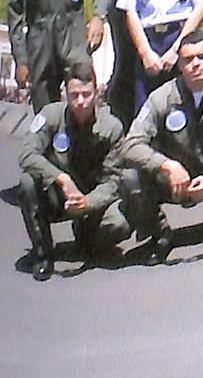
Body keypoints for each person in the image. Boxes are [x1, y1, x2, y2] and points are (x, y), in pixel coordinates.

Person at [119, 27, 203, 256]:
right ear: (179, 64)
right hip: (174, 179)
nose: (195, 64)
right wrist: (166, 166)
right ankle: (158, 231)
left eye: (202, 57)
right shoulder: (161, 98)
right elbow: (131, 145)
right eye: (188, 59)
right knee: (129, 177)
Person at [23, 67, 130, 269]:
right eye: (74, 95)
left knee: (120, 224)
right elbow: (27, 154)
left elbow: (113, 181)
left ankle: (87, 238)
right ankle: (43, 252)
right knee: (27, 182)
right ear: (65, 92)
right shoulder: (51, 115)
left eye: (86, 94)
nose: (80, 101)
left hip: (91, 196)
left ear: (96, 92)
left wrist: (88, 202)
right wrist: (61, 179)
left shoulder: (112, 127)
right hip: (57, 195)